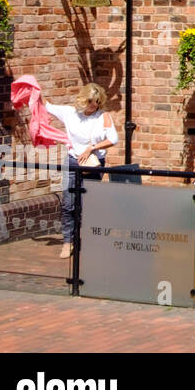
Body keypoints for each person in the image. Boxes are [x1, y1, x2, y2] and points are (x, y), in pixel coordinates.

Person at [45, 83, 118, 259]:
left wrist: (92, 148)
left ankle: (91, 241)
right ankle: (68, 242)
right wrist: (31, 87)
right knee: (68, 204)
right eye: (91, 101)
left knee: (89, 205)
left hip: (93, 164)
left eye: (97, 102)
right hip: (73, 162)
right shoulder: (71, 114)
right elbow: (46, 106)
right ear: (83, 99)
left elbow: (113, 139)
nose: (94, 105)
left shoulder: (103, 116)